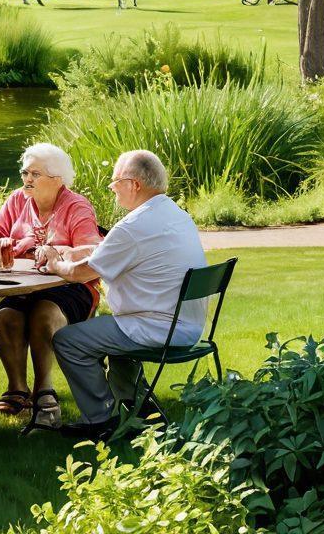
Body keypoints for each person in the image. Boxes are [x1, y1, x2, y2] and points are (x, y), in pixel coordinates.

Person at [42, 150, 207, 441]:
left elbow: (81, 274)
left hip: (155, 327)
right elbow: (115, 252)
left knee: (68, 340)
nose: (112, 187)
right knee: (111, 341)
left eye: (115, 181)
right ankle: (141, 409)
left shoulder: (134, 225)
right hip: (186, 325)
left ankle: (101, 418)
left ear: (134, 184)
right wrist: (78, 252)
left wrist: (56, 263)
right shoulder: (174, 214)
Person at [0, 143, 100, 428]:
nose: (27, 179)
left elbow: (91, 250)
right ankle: (17, 390)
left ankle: (44, 393)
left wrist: (56, 251)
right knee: (5, 317)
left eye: (35, 174)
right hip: (22, 283)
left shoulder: (76, 206)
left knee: (44, 314)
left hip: (68, 283)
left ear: (57, 178)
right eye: (25, 172)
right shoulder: (17, 200)